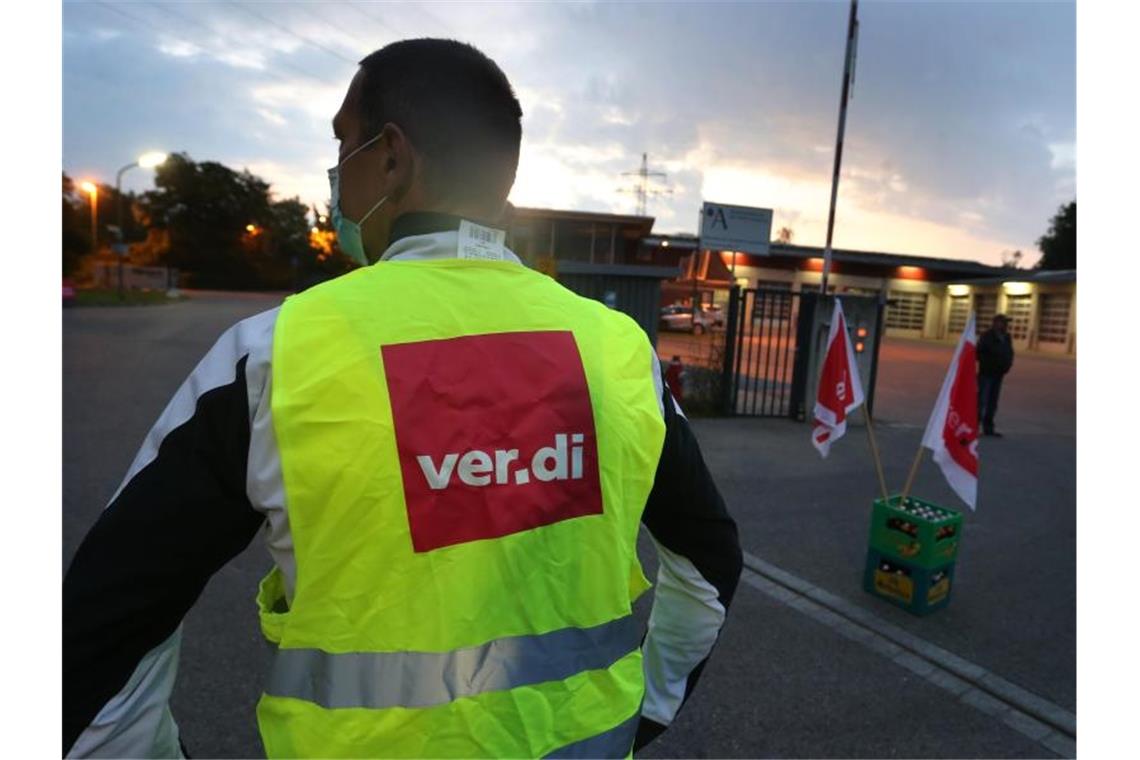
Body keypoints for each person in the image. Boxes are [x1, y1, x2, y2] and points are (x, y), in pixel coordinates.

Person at [63, 39, 742, 759]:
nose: (336, 176)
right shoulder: (620, 351)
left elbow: (103, 631)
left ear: (391, 158)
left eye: (343, 145)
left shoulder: (273, 356)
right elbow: (709, 563)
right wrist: (647, 712)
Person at [976, 313, 1014, 436]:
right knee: (981, 401)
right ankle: (974, 426)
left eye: (1006, 323)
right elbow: (978, 353)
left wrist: (1007, 366)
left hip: (999, 374)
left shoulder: (1007, 337)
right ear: (996, 323)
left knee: (993, 402)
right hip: (986, 374)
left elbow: (1009, 352)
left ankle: (989, 427)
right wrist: (989, 363)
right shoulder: (987, 336)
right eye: (1003, 322)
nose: (1006, 325)